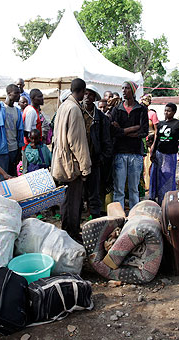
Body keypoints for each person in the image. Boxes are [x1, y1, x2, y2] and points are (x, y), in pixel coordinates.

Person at [51, 78, 92, 242]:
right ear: (82, 91)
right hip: (70, 164)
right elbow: (77, 142)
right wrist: (85, 167)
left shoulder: (63, 106)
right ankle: (71, 235)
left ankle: (69, 232)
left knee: (67, 201)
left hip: (60, 161)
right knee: (72, 202)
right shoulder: (74, 109)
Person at [111, 81, 149, 210]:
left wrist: (122, 131)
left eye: (126, 88)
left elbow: (143, 131)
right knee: (119, 189)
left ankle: (134, 215)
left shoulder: (141, 109)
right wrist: (133, 129)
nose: (123, 90)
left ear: (133, 91)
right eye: (122, 88)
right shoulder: (117, 109)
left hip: (135, 153)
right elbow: (114, 132)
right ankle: (119, 216)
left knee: (134, 189)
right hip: (120, 153)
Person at [149, 103, 179, 204]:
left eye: (169, 111)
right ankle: (156, 198)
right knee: (156, 176)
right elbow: (157, 138)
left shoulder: (178, 124)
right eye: (165, 110)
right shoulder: (160, 123)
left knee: (167, 177)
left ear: (174, 112)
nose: (166, 112)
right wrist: (153, 151)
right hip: (159, 153)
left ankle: (166, 200)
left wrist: (178, 142)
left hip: (170, 154)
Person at [82, 84, 112, 219]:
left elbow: (106, 140)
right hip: (79, 158)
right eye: (85, 93)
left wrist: (103, 157)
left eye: (91, 94)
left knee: (95, 190)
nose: (87, 97)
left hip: (95, 158)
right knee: (79, 191)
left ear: (95, 98)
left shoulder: (100, 117)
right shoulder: (77, 112)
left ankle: (95, 220)